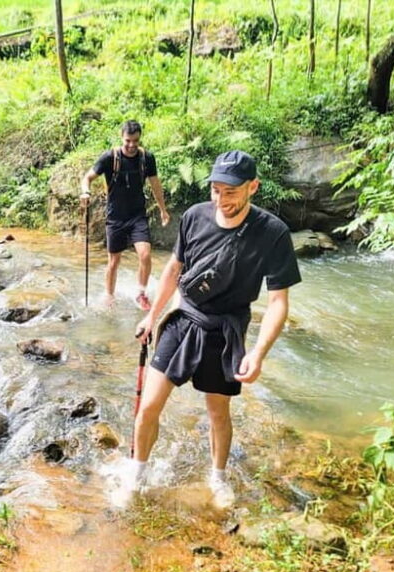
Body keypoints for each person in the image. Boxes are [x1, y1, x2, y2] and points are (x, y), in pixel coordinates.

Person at [129, 150, 301, 508]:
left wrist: (258, 353)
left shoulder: (273, 234)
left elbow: (278, 303)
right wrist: (152, 316)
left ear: (253, 187)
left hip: (226, 332)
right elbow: (174, 270)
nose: (222, 200)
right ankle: (137, 475)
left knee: (217, 412)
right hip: (183, 319)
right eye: (216, 190)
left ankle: (217, 477)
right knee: (148, 407)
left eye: (231, 192)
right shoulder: (194, 217)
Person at [80, 120, 170, 310]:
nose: (131, 145)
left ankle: (141, 293)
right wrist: (85, 192)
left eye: (135, 141)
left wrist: (163, 210)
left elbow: (155, 185)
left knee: (145, 255)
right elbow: (87, 178)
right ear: (122, 137)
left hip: (137, 215)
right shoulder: (109, 158)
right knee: (114, 261)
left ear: (140, 139)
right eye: (128, 141)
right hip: (115, 217)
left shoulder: (147, 158)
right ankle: (109, 295)